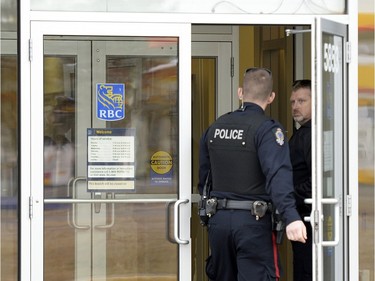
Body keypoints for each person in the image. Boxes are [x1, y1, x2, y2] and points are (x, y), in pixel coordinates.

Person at [198, 67, 307, 281]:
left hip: (218, 222)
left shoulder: (216, 126)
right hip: (253, 223)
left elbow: (204, 177)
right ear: (272, 97)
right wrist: (291, 217)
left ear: (240, 92)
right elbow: (277, 174)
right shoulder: (267, 129)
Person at [289, 79, 312, 281]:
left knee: (306, 272)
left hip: (308, 219)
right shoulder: (301, 133)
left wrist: (288, 198)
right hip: (301, 218)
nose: (295, 106)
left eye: (301, 101)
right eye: (293, 102)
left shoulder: (311, 136)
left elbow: (317, 182)